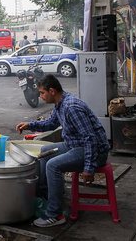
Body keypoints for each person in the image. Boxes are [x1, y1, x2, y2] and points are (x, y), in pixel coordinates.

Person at [15, 74, 110, 228]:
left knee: (53, 165)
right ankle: (48, 196)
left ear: (52, 91)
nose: (40, 96)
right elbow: (51, 123)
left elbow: (90, 138)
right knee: (45, 151)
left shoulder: (71, 107)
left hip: (94, 151)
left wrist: (89, 168)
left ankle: (55, 214)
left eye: (42, 93)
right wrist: (29, 125)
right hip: (75, 144)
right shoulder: (61, 103)